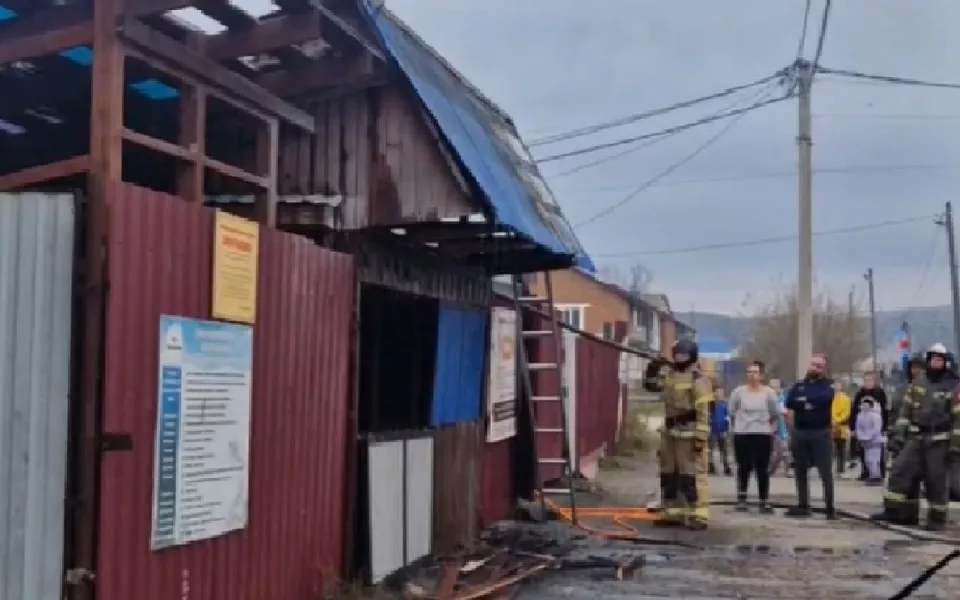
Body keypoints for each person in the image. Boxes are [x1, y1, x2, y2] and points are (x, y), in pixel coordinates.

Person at [872, 343, 960, 530]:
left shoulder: (954, 386)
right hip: (916, 438)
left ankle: (936, 520)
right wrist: (898, 438)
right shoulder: (918, 383)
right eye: (932, 359)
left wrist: (954, 447)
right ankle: (896, 512)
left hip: (939, 440)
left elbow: (958, 419)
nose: (935, 362)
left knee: (935, 481)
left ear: (946, 362)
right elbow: (905, 413)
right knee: (900, 471)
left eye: (939, 359)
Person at [643, 338, 713, 530]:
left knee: (692, 475)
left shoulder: (698, 379)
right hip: (669, 433)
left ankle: (698, 514)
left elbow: (704, 412)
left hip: (689, 434)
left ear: (692, 357)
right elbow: (651, 386)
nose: (680, 358)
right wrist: (653, 368)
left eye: (684, 355)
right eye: (677, 355)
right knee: (668, 474)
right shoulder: (670, 375)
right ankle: (672, 513)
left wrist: (701, 438)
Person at [785, 353, 837, 519]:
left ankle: (829, 508)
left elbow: (822, 400)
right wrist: (806, 403)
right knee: (800, 471)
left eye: (818, 366)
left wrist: (805, 402)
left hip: (820, 433)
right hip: (800, 432)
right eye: (812, 364)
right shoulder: (799, 385)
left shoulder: (829, 386)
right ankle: (803, 505)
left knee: (825, 472)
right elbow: (789, 401)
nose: (814, 368)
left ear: (824, 369)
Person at [728, 361, 779, 513]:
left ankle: (764, 500)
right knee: (744, 466)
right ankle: (742, 498)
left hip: (762, 433)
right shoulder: (738, 392)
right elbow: (732, 411)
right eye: (749, 372)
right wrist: (738, 426)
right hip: (743, 433)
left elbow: (774, 413)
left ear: (761, 376)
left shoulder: (768, 393)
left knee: (762, 468)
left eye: (755, 372)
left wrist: (767, 426)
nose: (752, 375)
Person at [853, 372, 889, 480]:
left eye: (870, 380)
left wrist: (885, 426)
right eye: (865, 380)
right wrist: (853, 427)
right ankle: (865, 472)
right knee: (863, 452)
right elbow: (854, 410)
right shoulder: (860, 394)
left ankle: (879, 473)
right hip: (863, 427)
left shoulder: (879, 393)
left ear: (874, 381)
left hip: (877, 427)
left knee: (877, 453)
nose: (867, 382)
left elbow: (885, 410)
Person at [855, 398, 885, 486]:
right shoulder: (860, 415)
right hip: (865, 442)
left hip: (875, 441)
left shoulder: (876, 416)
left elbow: (877, 429)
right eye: (863, 404)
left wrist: (869, 436)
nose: (864, 406)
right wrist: (861, 436)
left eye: (866, 405)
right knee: (867, 460)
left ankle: (876, 476)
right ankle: (871, 476)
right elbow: (858, 427)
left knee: (874, 460)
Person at [769, 378, 792, 476]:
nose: (774, 389)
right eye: (772, 387)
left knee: (784, 449)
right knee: (775, 452)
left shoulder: (783, 399)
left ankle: (788, 470)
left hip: (782, 428)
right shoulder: (767, 398)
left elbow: (788, 412)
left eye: (776, 387)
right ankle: (771, 469)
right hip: (770, 428)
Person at [708, 385, 732, 475]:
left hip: (722, 430)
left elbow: (727, 418)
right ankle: (711, 466)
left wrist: (726, 430)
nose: (720, 394)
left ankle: (727, 467)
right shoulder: (710, 404)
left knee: (724, 449)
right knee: (710, 449)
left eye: (721, 392)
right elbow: (708, 416)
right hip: (712, 430)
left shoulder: (725, 405)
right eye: (718, 392)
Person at [831, 382, 852, 477]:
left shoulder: (846, 399)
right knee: (831, 448)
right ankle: (832, 467)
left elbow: (846, 412)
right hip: (830, 425)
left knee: (841, 448)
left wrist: (837, 420)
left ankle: (840, 469)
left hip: (842, 426)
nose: (836, 388)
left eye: (838, 386)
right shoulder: (829, 398)